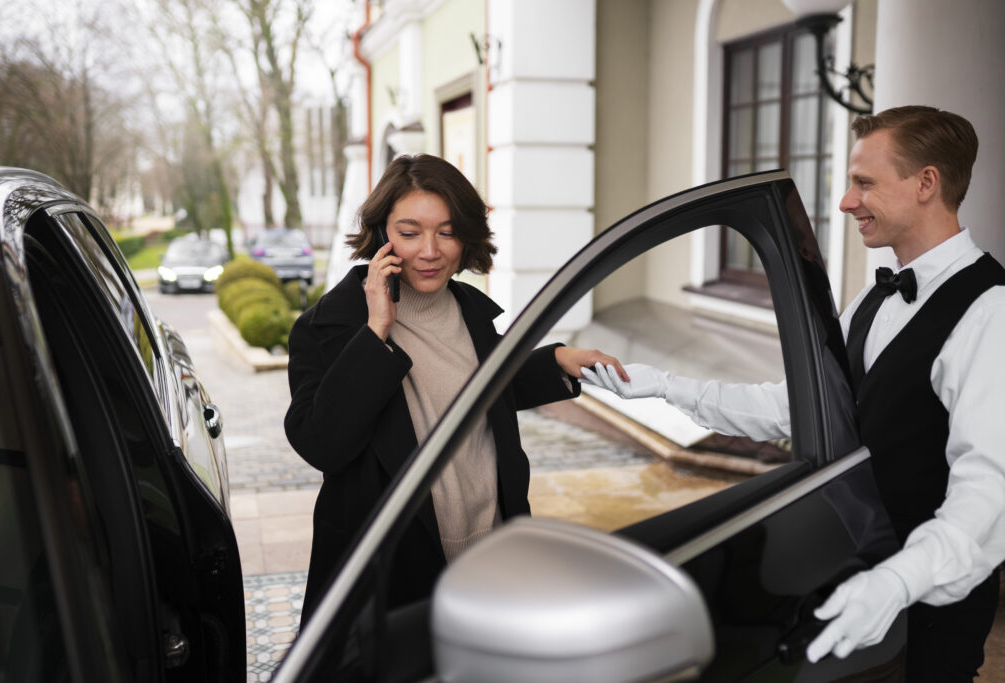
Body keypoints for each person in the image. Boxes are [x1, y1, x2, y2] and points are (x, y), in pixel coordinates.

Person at [583, 106, 1005, 681]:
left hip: (932, 607)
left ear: (927, 183)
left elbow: (988, 493)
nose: (846, 202)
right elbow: (790, 408)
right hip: (854, 570)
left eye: (864, 183)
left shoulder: (992, 312)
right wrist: (661, 387)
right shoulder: (875, 299)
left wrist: (898, 581)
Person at [284, 153, 625, 622]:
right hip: (391, 573)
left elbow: (485, 383)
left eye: (446, 232)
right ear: (382, 233)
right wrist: (375, 332)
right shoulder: (327, 326)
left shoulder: (471, 311)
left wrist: (558, 360)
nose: (430, 251)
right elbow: (322, 443)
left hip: (494, 550)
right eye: (409, 233)